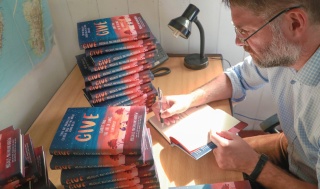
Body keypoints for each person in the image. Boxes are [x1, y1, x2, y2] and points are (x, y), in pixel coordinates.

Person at [152, 0, 320, 188]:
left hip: (309, 178)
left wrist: (253, 165)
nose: (238, 41)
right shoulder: (286, 51)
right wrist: (190, 99)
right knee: (203, 159)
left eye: (245, 31)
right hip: (292, 147)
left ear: (295, 23)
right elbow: (239, 77)